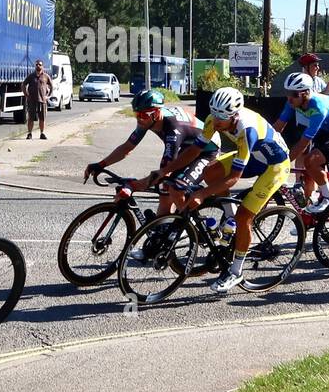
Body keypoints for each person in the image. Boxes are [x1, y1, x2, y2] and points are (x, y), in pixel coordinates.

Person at [156, 87, 291, 294]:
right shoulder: (213, 118)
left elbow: (234, 178)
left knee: (244, 217)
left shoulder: (247, 130)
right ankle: (229, 219)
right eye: (215, 115)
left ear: (235, 115)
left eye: (223, 118)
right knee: (210, 172)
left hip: (275, 165)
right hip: (255, 157)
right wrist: (166, 170)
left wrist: (202, 193)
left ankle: (236, 271)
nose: (217, 122)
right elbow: (195, 150)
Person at [86, 89, 219, 218]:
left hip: (207, 150)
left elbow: (163, 173)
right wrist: (100, 164)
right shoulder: (148, 121)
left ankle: (194, 227)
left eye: (143, 115)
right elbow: (127, 147)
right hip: (187, 146)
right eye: (136, 115)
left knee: (175, 187)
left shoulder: (173, 130)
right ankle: (164, 229)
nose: (139, 119)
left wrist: (132, 186)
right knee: (164, 191)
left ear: (156, 113)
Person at [273, 72, 329, 212]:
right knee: (309, 173)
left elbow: (303, 143)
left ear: (305, 93)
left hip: (327, 129)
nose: (289, 97)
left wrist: (284, 164)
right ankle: (307, 220)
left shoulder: (318, 107)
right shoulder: (292, 102)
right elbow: (278, 127)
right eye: (287, 92)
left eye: (293, 94)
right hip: (325, 130)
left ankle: (328, 198)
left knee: (311, 161)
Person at [22, 59, 52, 140]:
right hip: (32, 100)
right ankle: (29, 133)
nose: (38, 66)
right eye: (37, 65)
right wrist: (26, 94)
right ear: (35, 66)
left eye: (40, 64)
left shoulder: (46, 76)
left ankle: (42, 133)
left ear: (42, 66)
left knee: (42, 118)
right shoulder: (31, 76)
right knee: (31, 118)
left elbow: (51, 86)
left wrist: (48, 96)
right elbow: (24, 84)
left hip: (42, 101)